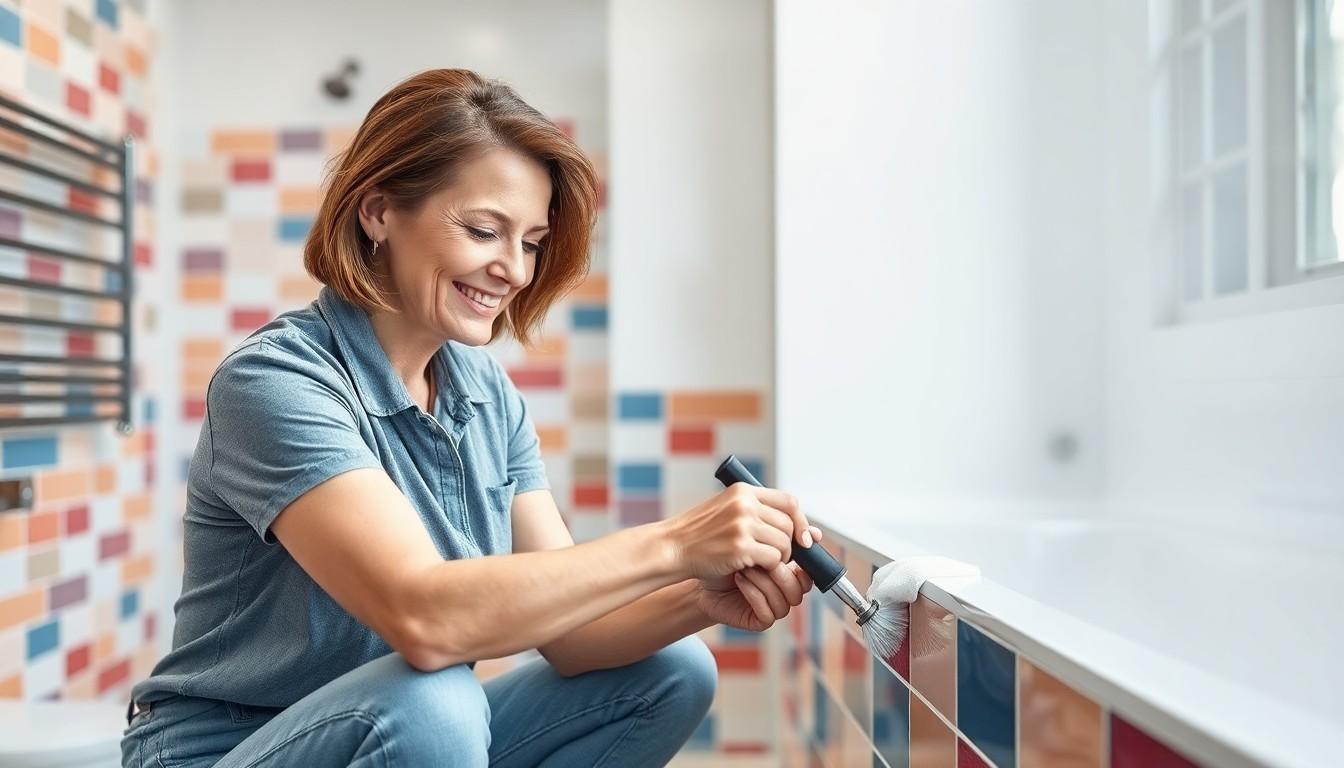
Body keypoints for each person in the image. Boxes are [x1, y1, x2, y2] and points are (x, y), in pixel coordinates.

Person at [120, 68, 818, 767]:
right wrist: (676, 543)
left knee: (673, 670)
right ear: (378, 212)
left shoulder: (486, 395)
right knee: (435, 697)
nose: (515, 270)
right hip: (223, 750)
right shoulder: (274, 382)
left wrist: (703, 596)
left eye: (531, 242)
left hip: (398, 730)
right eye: (485, 230)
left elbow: (573, 637)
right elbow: (425, 617)